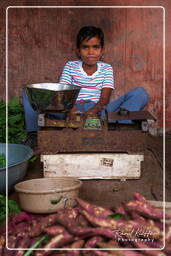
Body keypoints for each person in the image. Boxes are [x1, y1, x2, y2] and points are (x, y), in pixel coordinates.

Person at [22, 26, 149, 138]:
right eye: (85, 47)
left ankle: (121, 126)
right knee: (28, 94)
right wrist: (71, 109)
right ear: (78, 50)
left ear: (102, 50)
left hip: (99, 112)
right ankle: (33, 135)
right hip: (69, 111)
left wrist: (92, 112)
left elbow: (105, 98)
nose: (91, 52)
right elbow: (62, 93)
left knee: (140, 93)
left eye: (95, 47)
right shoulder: (70, 66)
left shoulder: (106, 68)